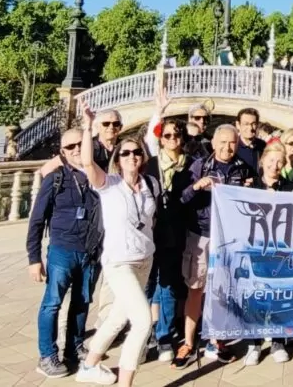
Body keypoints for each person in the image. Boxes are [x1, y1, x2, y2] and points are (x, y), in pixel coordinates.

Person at [75, 113, 158, 387]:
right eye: (125, 153)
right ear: (117, 159)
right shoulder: (108, 185)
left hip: (144, 259)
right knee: (143, 322)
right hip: (119, 262)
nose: (132, 156)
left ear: (142, 157)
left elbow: (149, 222)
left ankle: (88, 367)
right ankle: (126, 383)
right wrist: (88, 127)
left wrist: (159, 112)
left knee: (117, 318)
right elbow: (87, 162)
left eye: (136, 152)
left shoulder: (150, 185)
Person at [174, 124, 256, 368]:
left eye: (232, 143)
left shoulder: (243, 169)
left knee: (221, 291)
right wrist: (197, 186)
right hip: (201, 235)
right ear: (213, 143)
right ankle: (188, 342)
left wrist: (249, 191)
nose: (227, 147)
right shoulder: (200, 165)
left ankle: (215, 339)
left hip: (229, 238)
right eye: (222, 142)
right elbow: (181, 199)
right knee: (196, 289)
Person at [27, 128, 102, 378]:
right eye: (70, 147)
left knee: (82, 302)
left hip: (90, 251)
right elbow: (37, 220)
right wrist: (34, 258)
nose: (77, 149)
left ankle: (74, 347)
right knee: (52, 303)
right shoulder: (55, 179)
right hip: (62, 249)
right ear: (63, 152)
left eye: (81, 143)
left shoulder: (98, 176)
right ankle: (47, 355)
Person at [242, 143, 293, 365]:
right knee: (255, 297)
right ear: (262, 161)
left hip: (281, 250)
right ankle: (253, 343)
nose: (275, 166)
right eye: (271, 161)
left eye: (279, 162)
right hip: (255, 249)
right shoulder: (250, 185)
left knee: (279, 295)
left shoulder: (289, 186)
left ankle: (278, 341)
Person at [144, 118, 189, 363]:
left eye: (176, 135)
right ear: (161, 139)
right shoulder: (150, 165)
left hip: (175, 234)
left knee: (168, 286)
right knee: (148, 285)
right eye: (168, 135)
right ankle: (143, 332)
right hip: (150, 234)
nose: (172, 139)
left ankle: (165, 336)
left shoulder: (190, 166)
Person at [234, 107, 265, 173]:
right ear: (238, 125)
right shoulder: (233, 146)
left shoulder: (263, 146)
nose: (250, 128)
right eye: (246, 124)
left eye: (253, 124)